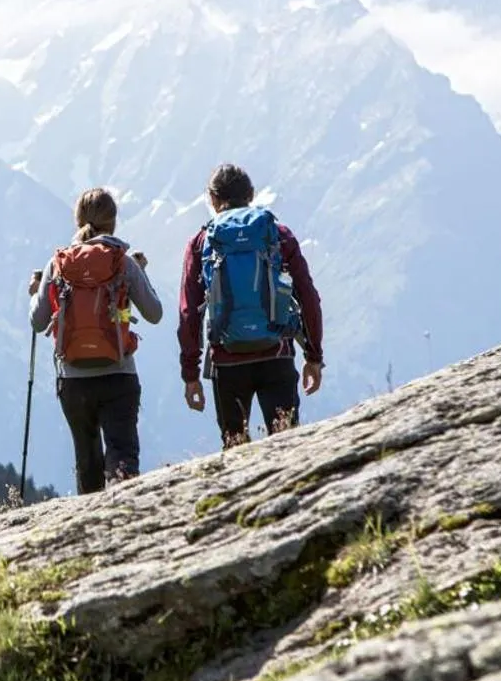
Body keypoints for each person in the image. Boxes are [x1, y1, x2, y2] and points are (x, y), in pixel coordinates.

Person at [178, 163, 323, 446]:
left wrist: (190, 374)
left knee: (235, 448)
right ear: (251, 194)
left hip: (226, 360)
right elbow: (307, 295)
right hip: (276, 353)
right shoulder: (277, 233)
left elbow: (188, 313)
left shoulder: (201, 241)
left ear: (212, 199)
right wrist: (314, 355)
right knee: (287, 446)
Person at [30, 187, 163, 493]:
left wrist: (34, 292)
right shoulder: (123, 262)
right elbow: (154, 313)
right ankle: (124, 524)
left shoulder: (58, 264)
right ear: (113, 222)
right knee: (122, 457)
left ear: (78, 221)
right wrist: (141, 273)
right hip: (118, 373)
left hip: (73, 379)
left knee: (86, 460)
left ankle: (90, 532)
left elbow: (37, 322)